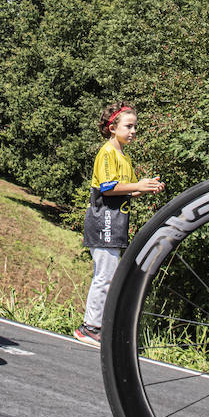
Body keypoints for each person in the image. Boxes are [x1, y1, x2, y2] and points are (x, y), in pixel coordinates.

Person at [74, 103, 164, 346]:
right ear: (113, 128)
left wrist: (145, 186)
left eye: (135, 126)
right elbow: (107, 187)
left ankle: (98, 325)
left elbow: (126, 192)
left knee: (110, 275)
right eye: (129, 126)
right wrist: (137, 186)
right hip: (103, 220)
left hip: (115, 224)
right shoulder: (108, 152)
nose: (134, 131)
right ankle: (89, 327)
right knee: (104, 276)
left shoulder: (124, 156)